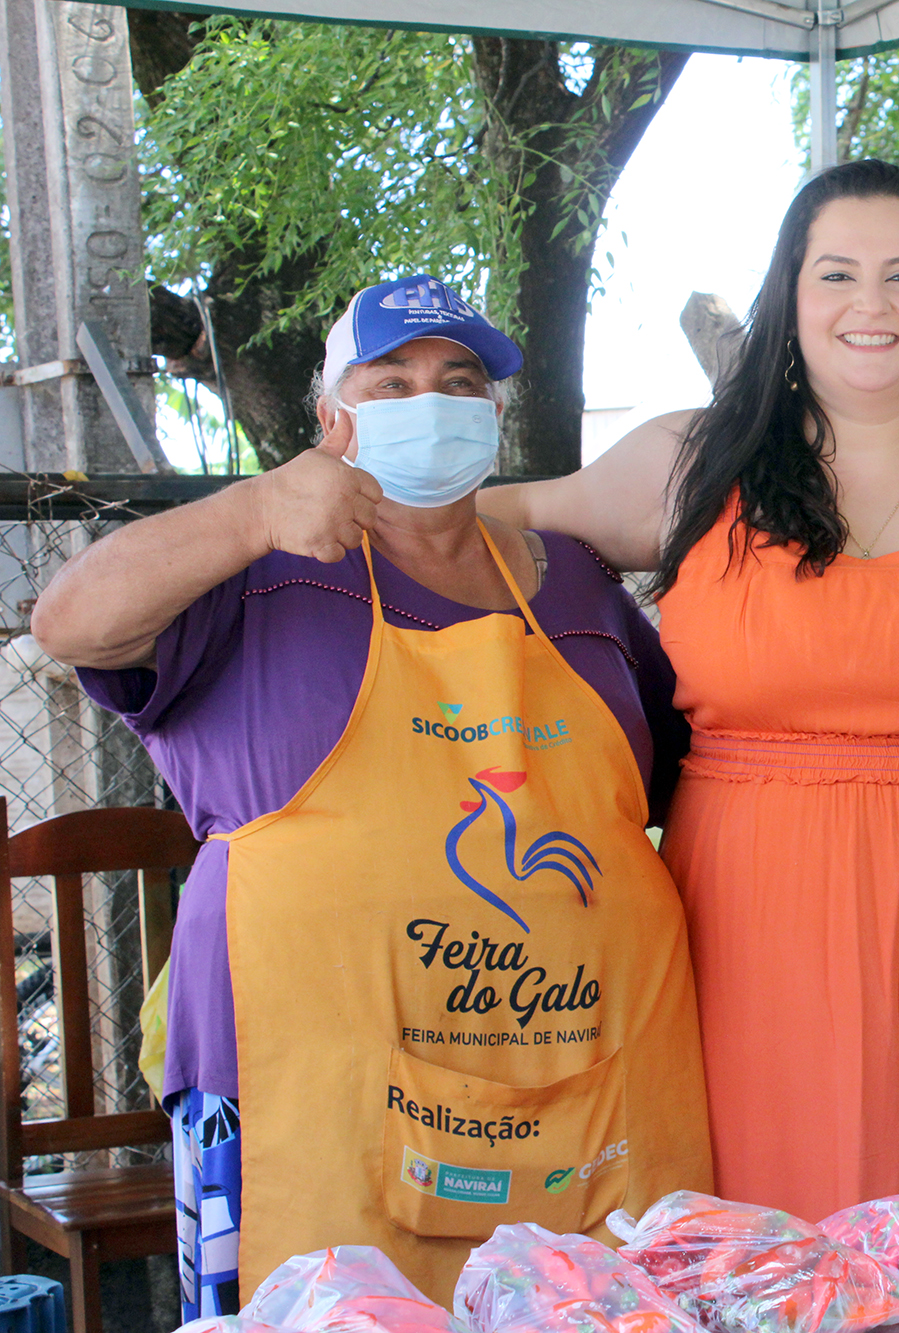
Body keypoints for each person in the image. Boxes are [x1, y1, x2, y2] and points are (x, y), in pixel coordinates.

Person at [30, 276, 712, 1314]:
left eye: (458, 379)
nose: (428, 401)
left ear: (491, 411)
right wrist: (257, 505)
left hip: (581, 1092)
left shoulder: (576, 585)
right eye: (389, 381)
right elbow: (71, 622)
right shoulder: (254, 570)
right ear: (329, 418)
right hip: (307, 1095)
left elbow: (665, 780)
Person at [477, 159, 899, 1220]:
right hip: (754, 915)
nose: (869, 305)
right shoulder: (693, 458)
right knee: (764, 1224)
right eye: (836, 273)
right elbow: (484, 531)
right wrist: (315, 507)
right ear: (789, 296)